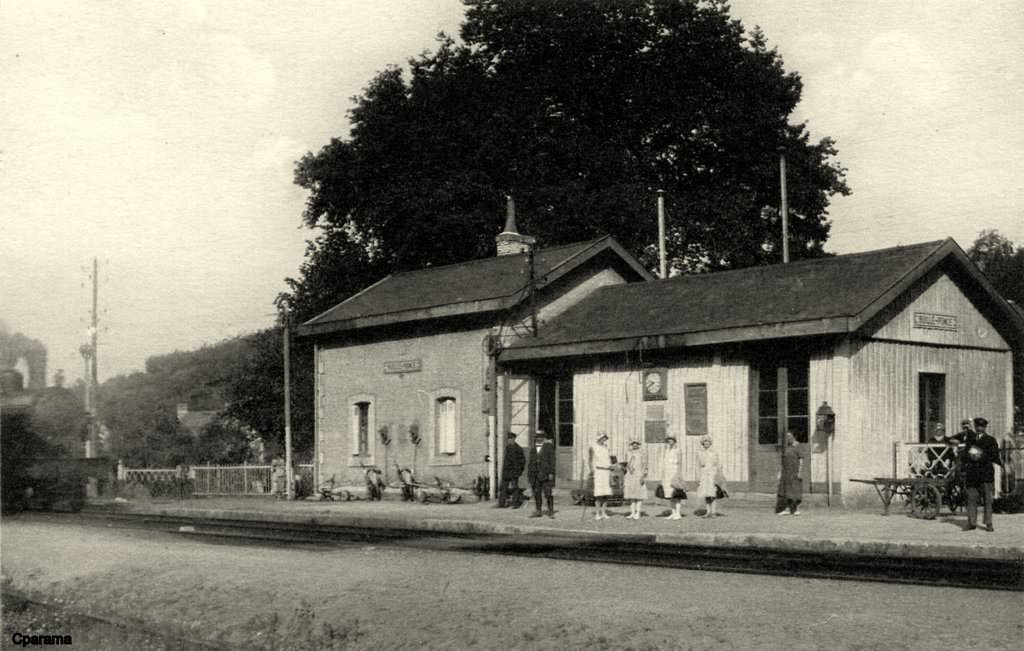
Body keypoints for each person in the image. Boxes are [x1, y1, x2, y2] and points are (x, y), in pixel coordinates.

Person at [960, 417, 1002, 532]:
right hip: (972, 475)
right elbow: (965, 455)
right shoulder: (971, 440)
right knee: (971, 498)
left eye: (981, 427)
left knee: (988, 499)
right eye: (977, 426)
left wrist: (978, 455)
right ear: (975, 427)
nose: (979, 429)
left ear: (985, 427)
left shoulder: (991, 440)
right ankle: (972, 523)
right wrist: (965, 467)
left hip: (985, 474)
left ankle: (988, 523)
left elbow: (993, 456)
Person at [527, 429, 556, 518]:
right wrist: (530, 474)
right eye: (537, 437)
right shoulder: (533, 448)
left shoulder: (549, 446)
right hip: (535, 475)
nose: (539, 439)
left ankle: (550, 511)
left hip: (545, 474)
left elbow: (552, 461)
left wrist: (551, 473)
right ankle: (538, 510)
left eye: (541, 437)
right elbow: (531, 462)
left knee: (548, 493)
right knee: (537, 493)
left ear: (544, 438)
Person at [659, 433, 686, 520]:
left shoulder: (678, 450)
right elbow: (664, 463)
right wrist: (663, 474)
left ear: (674, 441)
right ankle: (673, 513)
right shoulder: (666, 450)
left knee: (676, 494)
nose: (670, 441)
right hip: (667, 473)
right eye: (668, 440)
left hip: (674, 472)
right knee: (670, 494)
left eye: (671, 439)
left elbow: (680, 463)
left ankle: (678, 513)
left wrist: (678, 474)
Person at [777, 431, 804, 515]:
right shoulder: (787, 447)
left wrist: (800, 472)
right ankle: (787, 509)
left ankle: (796, 509)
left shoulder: (798, 446)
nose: (788, 438)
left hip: (794, 471)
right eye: (787, 437)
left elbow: (801, 459)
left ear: (794, 436)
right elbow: (783, 460)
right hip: (786, 472)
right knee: (786, 490)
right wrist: (780, 472)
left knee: (795, 490)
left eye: (789, 436)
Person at [697, 436, 724, 518]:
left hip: (712, 474)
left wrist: (718, 474)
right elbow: (699, 465)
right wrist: (698, 476)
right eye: (704, 442)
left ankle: (713, 512)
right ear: (702, 444)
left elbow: (718, 463)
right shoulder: (700, 453)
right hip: (704, 474)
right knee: (706, 493)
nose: (706, 443)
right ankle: (708, 511)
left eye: (707, 442)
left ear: (710, 443)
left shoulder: (714, 452)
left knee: (712, 493)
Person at [589, 432, 613, 520]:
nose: (604, 439)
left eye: (605, 438)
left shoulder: (606, 447)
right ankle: (597, 513)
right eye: (603, 438)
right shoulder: (593, 447)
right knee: (599, 494)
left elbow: (609, 459)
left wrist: (611, 467)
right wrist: (591, 470)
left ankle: (603, 512)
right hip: (598, 471)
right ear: (599, 438)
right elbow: (590, 459)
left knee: (606, 493)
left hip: (607, 471)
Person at [498, 432, 526, 508]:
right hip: (506, 471)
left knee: (515, 488)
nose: (509, 440)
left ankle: (515, 503)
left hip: (514, 471)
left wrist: (520, 471)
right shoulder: (507, 448)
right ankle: (501, 503)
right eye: (508, 439)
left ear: (514, 439)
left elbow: (522, 461)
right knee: (503, 487)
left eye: (511, 439)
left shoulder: (518, 449)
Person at [623, 439, 648, 520]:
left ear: (638, 445)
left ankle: (638, 512)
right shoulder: (628, 453)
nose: (635, 445)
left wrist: (643, 475)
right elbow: (626, 464)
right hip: (630, 475)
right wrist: (628, 469)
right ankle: (632, 512)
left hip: (639, 474)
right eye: (633, 443)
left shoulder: (642, 453)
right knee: (631, 495)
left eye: (636, 443)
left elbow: (645, 465)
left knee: (639, 495)